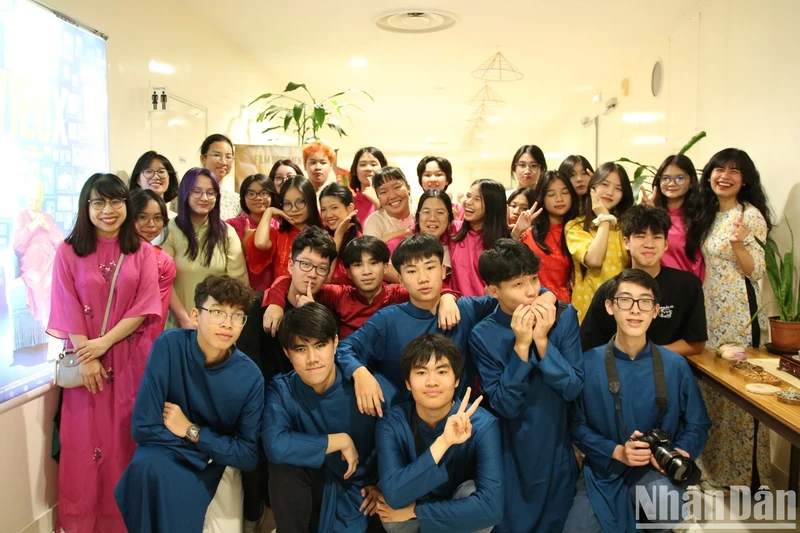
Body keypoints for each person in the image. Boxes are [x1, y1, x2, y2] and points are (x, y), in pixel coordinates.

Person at [48, 173, 162, 533]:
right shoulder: (68, 251)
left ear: (127, 205)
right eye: (98, 202)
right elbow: (66, 306)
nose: (108, 210)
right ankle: (83, 523)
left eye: (116, 202)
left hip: (128, 361)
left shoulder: (142, 251)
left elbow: (143, 306)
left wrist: (103, 344)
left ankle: (124, 523)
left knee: (122, 442)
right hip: (86, 365)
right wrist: (89, 353)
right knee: (84, 447)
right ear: (86, 207)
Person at [564, 269, 711, 533]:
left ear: (655, 310)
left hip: (654, 470)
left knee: (665, 514)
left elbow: (697, 423)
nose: (635, 310)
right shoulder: (587, 364)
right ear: (610, 307)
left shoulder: (675, 365)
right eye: (625, 300)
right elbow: (576, 425)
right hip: (605, 468)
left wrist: (680, 451)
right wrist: (617, 451)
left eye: (645, 302)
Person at [115, 275, 264, 533]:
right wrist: (207, 448)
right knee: (145, 467)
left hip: (211, 463)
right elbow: (143, 427)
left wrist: (191, 431)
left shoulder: (250, 377)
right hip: (173, 452)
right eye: (217, 312)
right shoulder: (169, 346)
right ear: (196, 315)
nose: (227, 324)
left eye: (237, 316)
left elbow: (248, 454)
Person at [336, 234, 543, 414]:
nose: (423, 278)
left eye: (430, 267)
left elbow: (521, 295)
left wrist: (548, 298)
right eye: (412, 271)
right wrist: (360, 372)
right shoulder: (388, 320)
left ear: (443, 271)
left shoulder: (467, 309)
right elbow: (345, 348)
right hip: (409, 422)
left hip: (464, 419)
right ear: (399, 278)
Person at [469, 239, 583, 533]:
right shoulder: (482, 334)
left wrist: (542, 342)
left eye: (533, 279)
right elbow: (505, 405)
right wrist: (521, 347)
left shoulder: (564, 315)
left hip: (557, 441)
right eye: (518, 284)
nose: (532, 290)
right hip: (512, 446)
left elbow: (572, 388)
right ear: (494, 290)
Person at [262, 303, 399, 533]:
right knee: (283, 468)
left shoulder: (367, 387)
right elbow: (274, 444)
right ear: (287, 352)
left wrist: (386, 485)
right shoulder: (282, 390)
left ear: (335, 343)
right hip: (317, 491)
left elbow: (407, 438)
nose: (312, 358)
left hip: (366, 495)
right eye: (300, 349)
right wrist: (338, 440)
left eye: (320, 345)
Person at [685, 148, 773, 489]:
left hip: (738, 313)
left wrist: (738, 244)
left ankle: (742, 477)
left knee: (740, 395)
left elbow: (757, 271)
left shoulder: (749, 216)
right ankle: (713, 469)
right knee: (712, 394)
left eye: (734, 171)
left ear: (745, 179)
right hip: (710, 310)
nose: (725, 175)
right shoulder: (707, 212)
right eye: (719, 169)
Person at [376, 335, 503, 533]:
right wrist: (443, 441)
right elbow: (393, 496)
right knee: (393, 516)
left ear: (456, 380)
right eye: (421, 372)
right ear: (408, 383)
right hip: (416, 507)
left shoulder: (483, 424)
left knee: (472, 493)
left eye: (442, 371)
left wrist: (418, 511)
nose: (432, 381)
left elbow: (492, 508)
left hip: (455, 511)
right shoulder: (392, 422)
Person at [261, 236, 459, 339]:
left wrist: (448, 297)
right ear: (347, 271)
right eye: (358, 265)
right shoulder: (340, 295)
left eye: (373, 263)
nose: (366, 271)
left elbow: (425, 289)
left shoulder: (396, 294)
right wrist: (275, 303)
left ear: (385, 266)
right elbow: (292, 281)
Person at [581, 205, 707, 356]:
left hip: (669, 371)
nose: (649, 244)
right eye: (640, 236)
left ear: (666, 244)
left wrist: (647, 356)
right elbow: (589, 347)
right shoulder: (609, 290)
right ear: (626, 242)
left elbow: (696, 344)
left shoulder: (688, 285)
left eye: (657, 237)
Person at [161, 167, 247, 328]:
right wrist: (186, 320)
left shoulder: (227, 232)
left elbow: (238, 283)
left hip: (217, 325)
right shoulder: (170, 230)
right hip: (179, 323)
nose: (204, 197)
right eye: (197, 191)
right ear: (185, 193)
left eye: (210, 192)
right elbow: (163, 281)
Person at [565, 162, 634, 322]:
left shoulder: (627, 226)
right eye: (605, 184)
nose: (610, 192)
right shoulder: (576, 226)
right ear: (592, 187)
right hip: (587, 309)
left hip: (624, 309)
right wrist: (604, 220)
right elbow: (594, 260)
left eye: (618, 188)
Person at [642, 154, 706, 281]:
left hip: (685, 288)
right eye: (666, 178)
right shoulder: (649, 213)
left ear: (692, 182)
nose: (672, 183)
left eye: (680, 178)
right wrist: (648, 215)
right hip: (650, 288)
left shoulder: (700, 217)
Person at [247, 175, 323, 281]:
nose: (294, 209)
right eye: (287, 204)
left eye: (300, 202)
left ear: (310, 202)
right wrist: (269, 212)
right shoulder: (279, 235)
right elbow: (260, 243)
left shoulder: (323, 236)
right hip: (281, 295)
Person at [520, 171, 580, 302]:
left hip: (567, 306)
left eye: (565, 193)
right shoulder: (529, 233)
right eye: (551, 194)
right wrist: (516, 232)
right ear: (542, 198)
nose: (559, 198)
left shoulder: (578, 231)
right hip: (532, 303)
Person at [450, 179, 515, 297]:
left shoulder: (503, 242)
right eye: (468, 196)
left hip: (489, 310)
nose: (468, 202)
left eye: (477, 199)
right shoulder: (454, 230)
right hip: (456, 309)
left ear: (492, 205)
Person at [13, 180, 62, 325]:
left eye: (38, 200)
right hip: (33, 262)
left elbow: (60, 243)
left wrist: (47, 227)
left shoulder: (48, 217)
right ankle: (49, 325)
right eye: (31, 200)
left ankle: (65, 324)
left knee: (61, 279)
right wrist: (32, 227)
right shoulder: (20, 216)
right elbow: (17, 244)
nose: (34, 204)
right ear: (27, 198)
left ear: (42, 200)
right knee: (40, 284)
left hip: (51, 259)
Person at [130, 189, 177, 334]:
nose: (151, 224)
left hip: (145, 338)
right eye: (143, 217)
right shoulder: (115, 253)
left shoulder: (163, 261)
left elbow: (154, 313)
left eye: (157, 218)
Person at [226, 173, 280, 290]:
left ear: (271, 196)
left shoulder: (279, 227)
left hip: (274, 293)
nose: (258, 197)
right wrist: (244, 245)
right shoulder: (231, 226)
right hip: (240, 290)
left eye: (264, 193)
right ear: (243, 199)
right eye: (251, 194)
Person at [363, 167, 415, 266]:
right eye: (383, 192)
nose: (392, 196)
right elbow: (370, 260)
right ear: (378, 197)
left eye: (397, 187)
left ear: (408, 188)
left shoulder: (421, 214)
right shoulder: (374, 221)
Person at [319, 183, 362, 285]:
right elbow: (324, 279)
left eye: (334, 208)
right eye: (323, 209)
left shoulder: (360, 241)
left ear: (350, 208)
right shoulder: (319, 239)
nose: (328, 215)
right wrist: (338, 236)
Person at [415, 190, 458, 281]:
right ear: (418, 216)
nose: (433, 218)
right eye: (426, 212)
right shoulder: (404, 246)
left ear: (449, 218)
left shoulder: (456, 247)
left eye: (440, 212)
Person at [128, 150, 179, 223]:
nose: (156, 177)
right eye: (148, 171)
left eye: (161, 171)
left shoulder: (176, 220)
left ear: (170, 178)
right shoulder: (128, 217)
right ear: (138, 179)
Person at [199, 133, 241, 220]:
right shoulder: (185, 193)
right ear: (203, 158)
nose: (223, 162)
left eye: (228, 157)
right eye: (217, 155)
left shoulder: (236, 200)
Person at [349, 147, 386, 226]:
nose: (368, 168)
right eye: (362, 165)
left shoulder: (390, 199)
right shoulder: (350, 203)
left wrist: (377, 202)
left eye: (373, 164)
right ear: (355, 170)